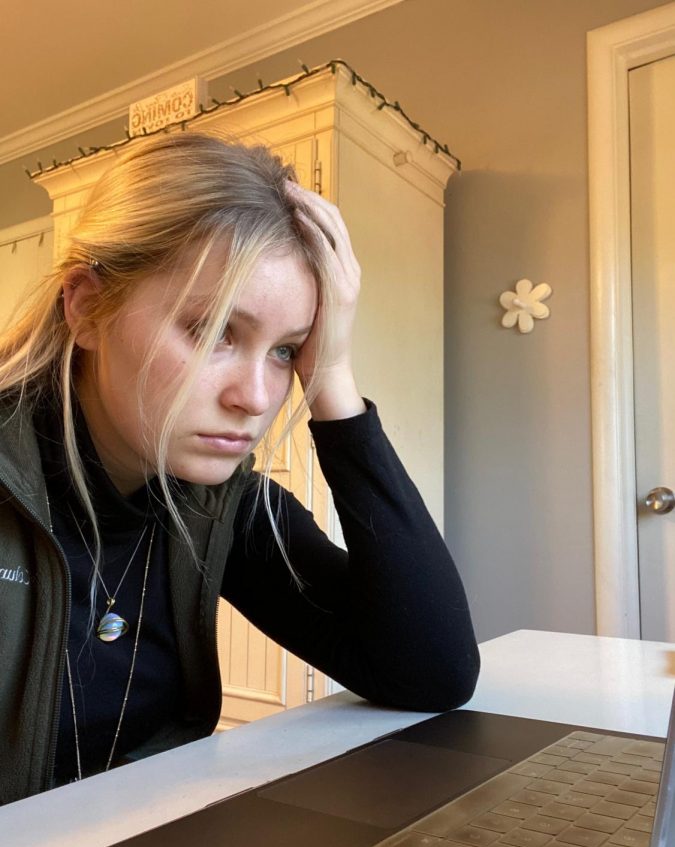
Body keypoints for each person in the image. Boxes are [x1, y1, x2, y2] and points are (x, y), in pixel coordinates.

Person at [0, 132, 479, 805]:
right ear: (85, 307)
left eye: (285, 352)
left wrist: (332, 379)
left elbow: (430, 670)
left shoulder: (215, 504)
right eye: (213, 329)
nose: (253, 399)